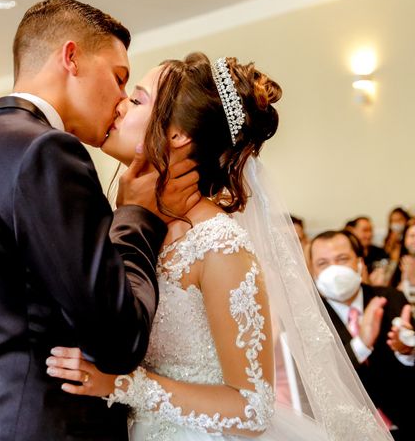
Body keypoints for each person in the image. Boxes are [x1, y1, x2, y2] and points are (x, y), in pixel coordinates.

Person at [46, 54, 392, 440]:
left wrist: (123, 385)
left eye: (138, 99)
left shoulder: (218, 244)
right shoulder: (127, 223)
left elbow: (250, 408)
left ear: (178, 136)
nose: (120, 103)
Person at [0, 0, 200, 441]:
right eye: (118, 79)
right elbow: (119, 341)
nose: (120, 103)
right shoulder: (48, 152)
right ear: (71, 58)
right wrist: (134, 216)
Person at [310, 229, 415, 439]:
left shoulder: (391, 299)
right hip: (350, 432)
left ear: (359, 263)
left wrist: (408, 351)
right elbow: (320, 378)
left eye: (342, 259)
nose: (334, 269)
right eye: (323, 263)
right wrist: (361, 344)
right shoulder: (309, 315)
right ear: (312, 272)